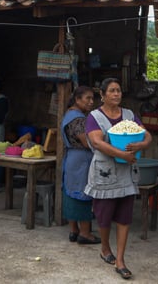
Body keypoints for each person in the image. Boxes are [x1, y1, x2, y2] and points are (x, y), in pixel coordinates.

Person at [84, 78, 152, 279]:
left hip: (127, 173)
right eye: (112, 91)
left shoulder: (130, 115)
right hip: (105, 172)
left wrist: (142, 145)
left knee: (124, 216)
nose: (116, 94)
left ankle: (121, 260)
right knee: (104, 215)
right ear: (102, 95)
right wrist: (121, 154)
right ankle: (105, 248)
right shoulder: (94, 117)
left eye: (119, 90)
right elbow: (97, 142)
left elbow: (146, 134)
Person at [61, 85, 100, 245]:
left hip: (72, 158)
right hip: (81, 160)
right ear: (77, 99)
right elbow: (87, 142)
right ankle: (85, 233)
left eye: (93, 98)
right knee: (83, 193)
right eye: (88, 98)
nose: (91, 102)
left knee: (71, 191)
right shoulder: (78, 119)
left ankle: (74, 230)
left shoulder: (69, 114)